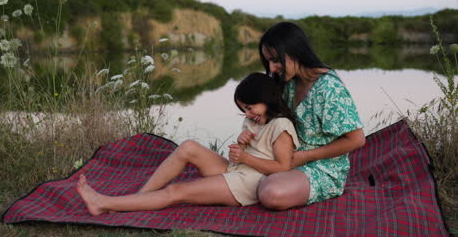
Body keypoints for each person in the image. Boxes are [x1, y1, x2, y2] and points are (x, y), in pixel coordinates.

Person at [77, 72, 300, 215]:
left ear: (267, 99)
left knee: (176, 191)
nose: (247, 114)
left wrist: (245, 157)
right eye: (244, 110)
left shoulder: (280, 126)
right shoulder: (254, 121)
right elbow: (240, 157)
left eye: (250, 108)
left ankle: (104, 204)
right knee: (188, 147)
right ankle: (139, 198)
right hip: (237, 169)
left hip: (250, 183)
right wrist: (240, 147)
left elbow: (283, 167)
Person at [240, 22, 366, 210]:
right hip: (284, 161)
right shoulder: (288, 83)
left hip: (322, 169)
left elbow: (356, 140)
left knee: (270, 192)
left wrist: (305, 157)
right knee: (228, 171)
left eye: (275, 60)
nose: (272, 68)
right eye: (268, 62)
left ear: (295, 51)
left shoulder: (330, 89)